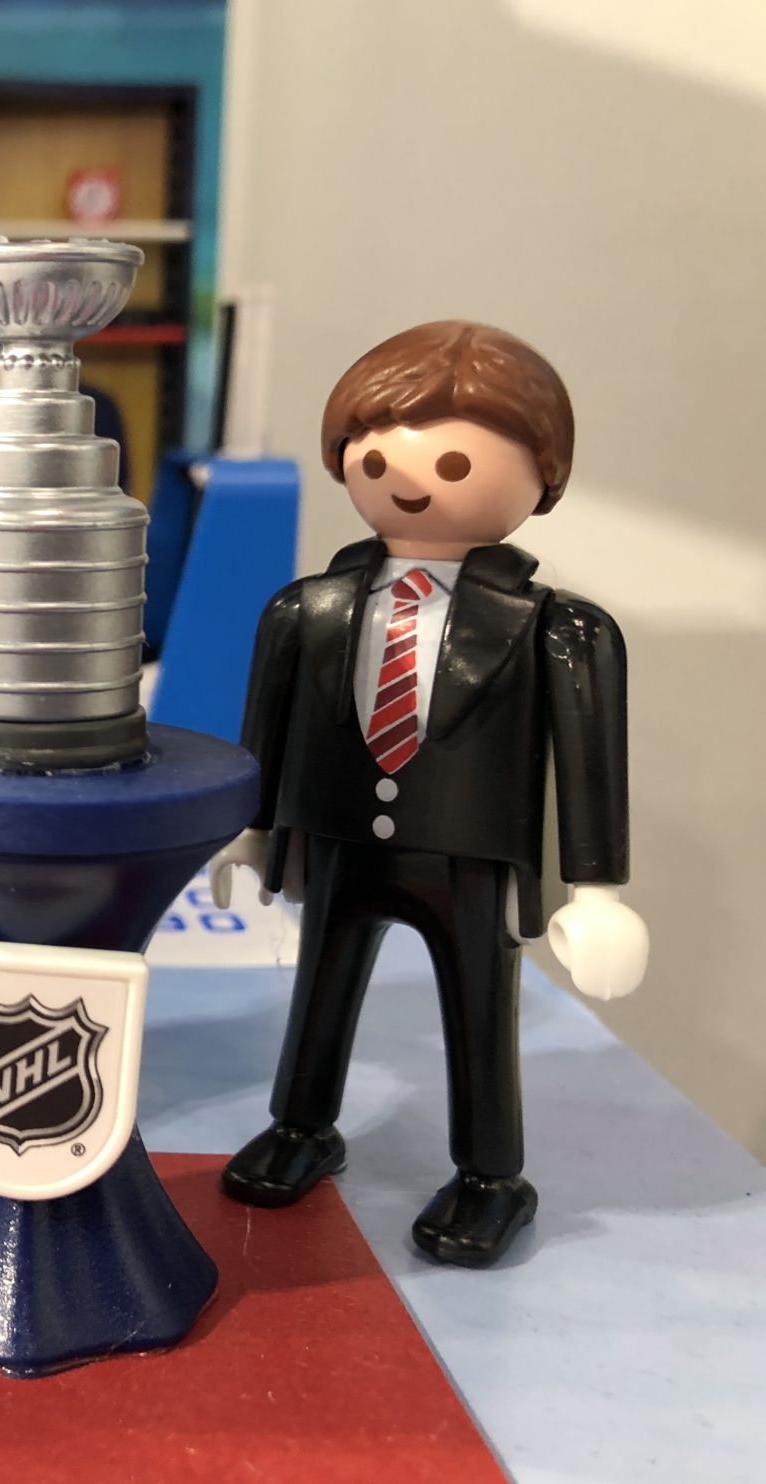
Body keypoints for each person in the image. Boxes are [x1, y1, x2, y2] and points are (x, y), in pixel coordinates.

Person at [210, 319, 646, 1268]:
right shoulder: (308, 609)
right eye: (373, 456)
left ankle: (491, 1174)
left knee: (479, 1004)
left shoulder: (557, 629)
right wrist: (250, 832)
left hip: (469, 850)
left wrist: (598, 891)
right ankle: (301, 1124)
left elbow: (590, 761)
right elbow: (267, 729)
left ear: (543, 474)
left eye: (455, 462)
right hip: (336, 838)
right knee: (321, 986)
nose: (408, 481)